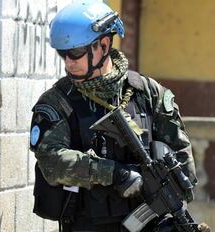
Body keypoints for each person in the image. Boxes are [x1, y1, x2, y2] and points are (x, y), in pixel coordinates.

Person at [29, 1, 208, 231]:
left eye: (75, 53)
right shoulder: (58, 101)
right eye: (63, 54)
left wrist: (173, 198)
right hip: (88, 225)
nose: (69, 63)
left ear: (103, 45)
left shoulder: (147, 92)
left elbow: (181, 153)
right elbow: (51, 161)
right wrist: (114, 174)